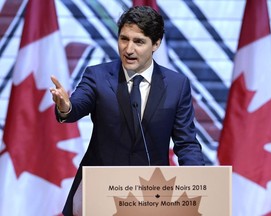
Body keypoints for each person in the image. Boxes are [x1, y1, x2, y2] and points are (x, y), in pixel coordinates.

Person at [50, 5, 205, 216]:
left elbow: (186, 143)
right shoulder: (98, 76)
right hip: (99, 191)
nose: (128, 49)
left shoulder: (177, 85)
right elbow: (76, 106)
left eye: (139, 41)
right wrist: (65, 106)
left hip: (151, 194)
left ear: (156, 44)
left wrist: (199, 185)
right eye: (124, 39)